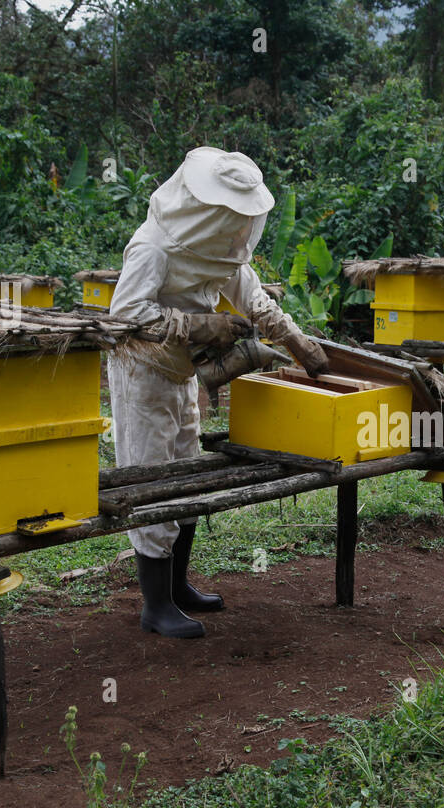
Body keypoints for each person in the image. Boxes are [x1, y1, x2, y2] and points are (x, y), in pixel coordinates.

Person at [108, 147, 328, 639]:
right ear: (204, 207)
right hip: (143, 373)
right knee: (151, 479)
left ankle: (179, 588)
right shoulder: (153, 248)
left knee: (186, 477)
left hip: (181, 374)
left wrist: (296, 340)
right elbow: (126, 317)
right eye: (229, 215)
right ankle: (155, 605)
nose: (237, 227)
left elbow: (252, 295)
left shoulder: (217, 246)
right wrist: (201, 324)